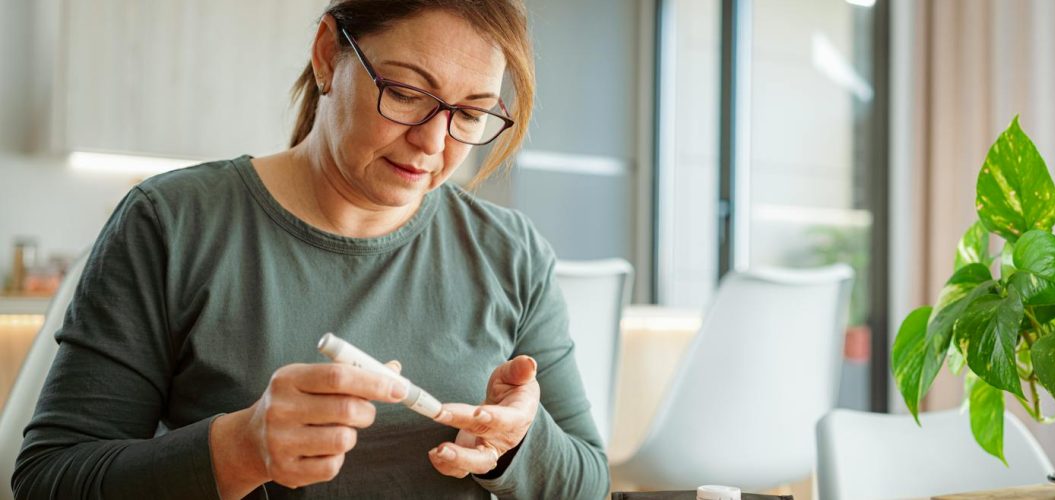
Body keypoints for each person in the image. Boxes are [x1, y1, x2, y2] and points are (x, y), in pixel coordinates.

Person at [11, 1, 609, 498]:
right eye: (405, 92)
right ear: (327, 54)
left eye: (471, 113)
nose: (433, 141)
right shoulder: (171, 222)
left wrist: (518, 444)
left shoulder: (512, 253)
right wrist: (237, 450)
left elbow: (590, 480)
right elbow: (48, 479)